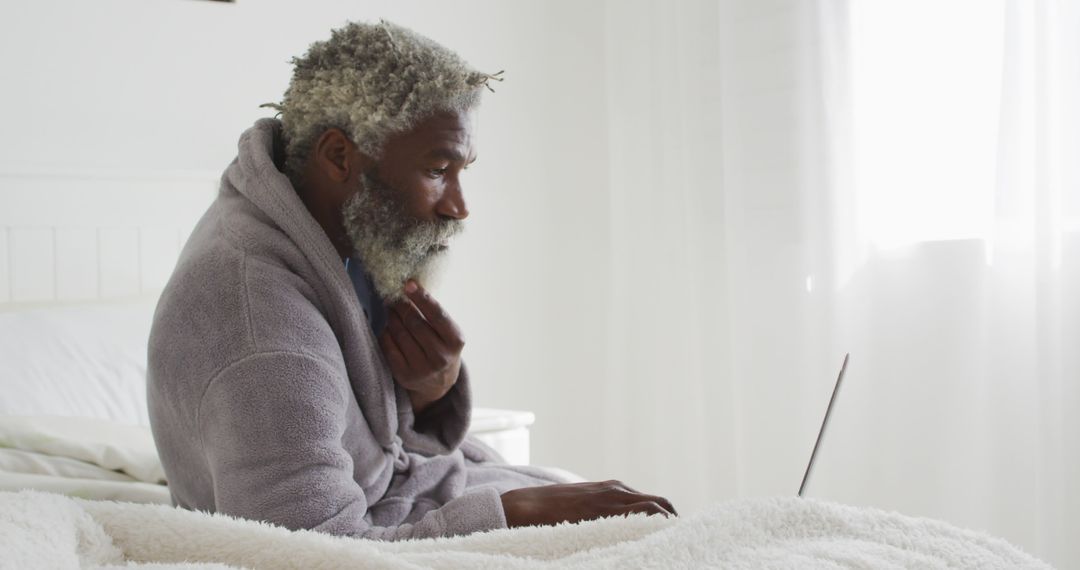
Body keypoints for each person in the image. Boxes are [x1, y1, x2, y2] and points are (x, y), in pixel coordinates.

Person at [147, 20, 675, 540]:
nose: (460, 207)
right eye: (438, 170)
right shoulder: (259, 330)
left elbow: (363, 437)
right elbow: (308, 555)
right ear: (338, 156)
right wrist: (520, 512)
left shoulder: (326, 227)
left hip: (416, 493)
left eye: (462, 170)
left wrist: (430, 392)